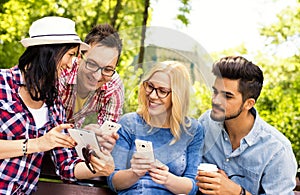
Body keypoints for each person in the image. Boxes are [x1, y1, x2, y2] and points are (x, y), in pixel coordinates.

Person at [0, 16, 114, 194]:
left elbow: (66, 165)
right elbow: (40, 144)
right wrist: (38, 144)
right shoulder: (2, 83)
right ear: (49, 52)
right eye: (70, 55)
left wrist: (96, 167)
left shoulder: (55, 106)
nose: (72, 64)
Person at [196, 56, 297, 195]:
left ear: (249, 103)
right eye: (215, 92)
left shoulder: (277, 150)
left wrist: (236, 192)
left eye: (227, 96)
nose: (215, 100)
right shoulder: (206, 122)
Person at [107, 61, 204, 195]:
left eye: (162, 91)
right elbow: (113, 181)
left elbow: (193, 187)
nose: (152, 95)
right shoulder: (129, 123)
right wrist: (134, 173)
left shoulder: (192, 130)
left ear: (178, 96)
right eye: (150, 86)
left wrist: (167, 179)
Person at [59, 23, 123, 152]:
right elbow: (44, 128)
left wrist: (102, 140)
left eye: (108, 69)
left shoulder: (114, 87)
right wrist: (80, 134)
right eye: (92, 64)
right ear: (79, 57)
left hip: (72, 150)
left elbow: (104, 141)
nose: (97, 76)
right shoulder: (62, 72)